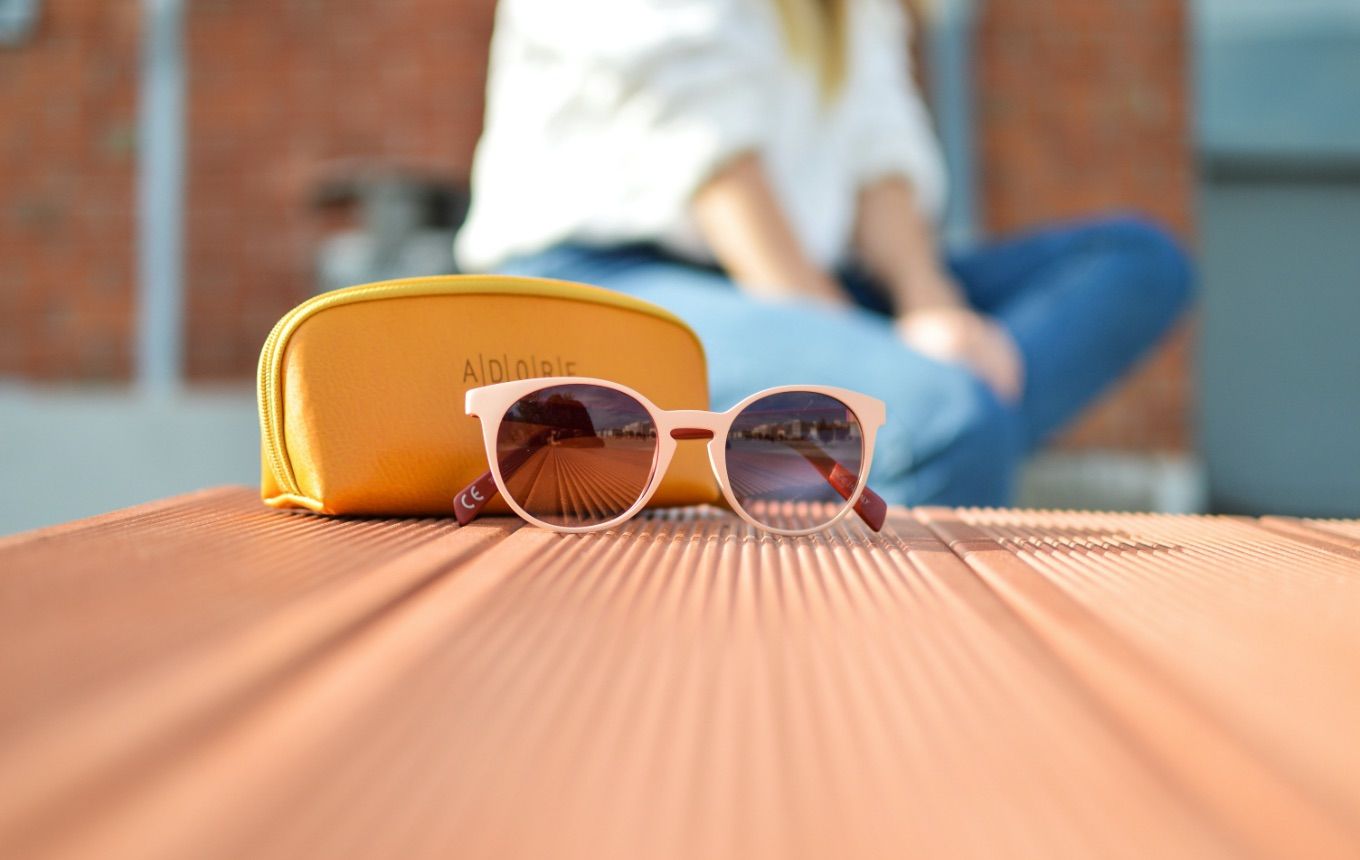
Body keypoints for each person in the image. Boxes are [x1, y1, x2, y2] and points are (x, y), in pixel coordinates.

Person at [455, 0, 1192, 506]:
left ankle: (813, 464)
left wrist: (930, 306)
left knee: (1136, 261)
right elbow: (713, 164)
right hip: (609, 282)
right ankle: (881, 461)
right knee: (952, 424)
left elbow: (880, 144)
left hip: (819, 279)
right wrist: (871, 358)